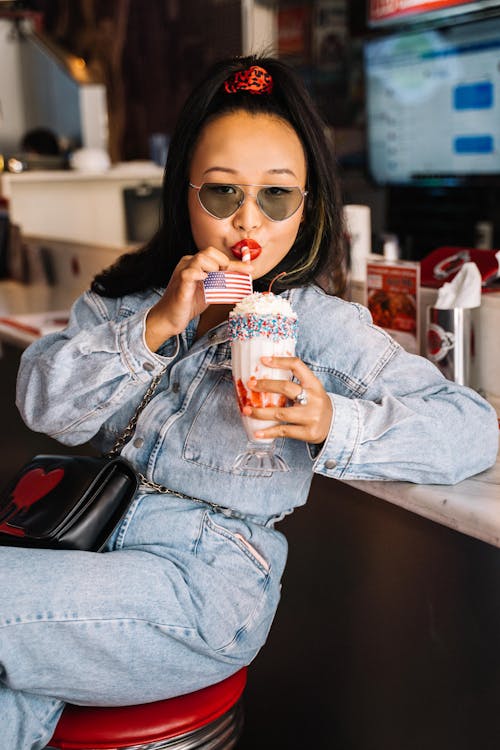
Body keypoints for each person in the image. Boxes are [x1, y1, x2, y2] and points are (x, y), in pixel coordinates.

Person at [1, 55, 498, 749]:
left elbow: (473, 429)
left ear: (310, 206)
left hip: (201, 590)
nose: (247, 220)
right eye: (221, 193)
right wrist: (157, 326)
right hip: (86, 557)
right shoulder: (136, 298)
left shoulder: (321, 325)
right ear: (185, 194)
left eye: (276, 196)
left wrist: (334, 424)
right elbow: (41, 403)